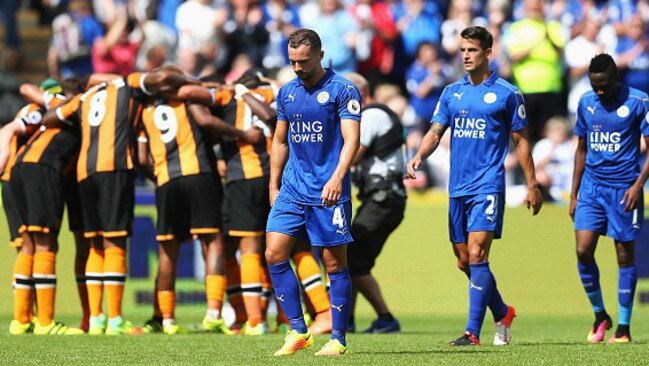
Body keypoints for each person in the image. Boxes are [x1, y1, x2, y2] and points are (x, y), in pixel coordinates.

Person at [407, 26, 542, 346]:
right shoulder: (452, 92)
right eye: (463, 50)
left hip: (488, 185)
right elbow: (435, 131)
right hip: (458, 187)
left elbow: (521, 141)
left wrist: (532, 184)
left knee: (479, 253)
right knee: (465, 261)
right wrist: (418, 157)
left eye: (472, 50)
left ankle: (472, 332)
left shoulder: (508, 93)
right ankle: (502, 311)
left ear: (487, 53)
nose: (466, 55)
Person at [44, 70, 198, 335]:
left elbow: (50, 118)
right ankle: (114, 318)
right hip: (114, 167)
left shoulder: (83, 97)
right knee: (114, 243)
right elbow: (160, 79)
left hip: (85, 172)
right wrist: (191, 80)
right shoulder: (127, 83)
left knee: (94, 244)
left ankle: (95, 319)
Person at [265, 29, 361, 356]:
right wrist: (273, 184)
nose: (297, 68)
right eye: (292, 61)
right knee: (274, 254)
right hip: (292, 188)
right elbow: (279, 141)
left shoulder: (342, 89)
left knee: (334, 265)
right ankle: (298, 331)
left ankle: (338, 338)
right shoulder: (287, 92)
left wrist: (337, 178)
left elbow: (352, 140)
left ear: (320, 55)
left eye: (303, 61)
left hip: (328, 192)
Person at [570, 53, 649, 344]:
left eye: (603, 85)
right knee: (582, 250)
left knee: (623, 254)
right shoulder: (586, 102)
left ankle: (624, 327)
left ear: (616, 78)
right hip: (591, 188)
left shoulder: (639, 102)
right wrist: (574, 193)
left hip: (624, 189)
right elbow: (580, 150)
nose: (599, 91)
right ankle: (600, 314)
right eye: (595, 86)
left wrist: (639, 185)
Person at [344, 72, 406, 334]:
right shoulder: (370, 115)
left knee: (354, 260)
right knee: (351, 258)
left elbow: (354, 155)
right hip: (380, 198)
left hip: (384, 198)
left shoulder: (370, 116)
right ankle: (346, 320)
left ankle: (386, 318)